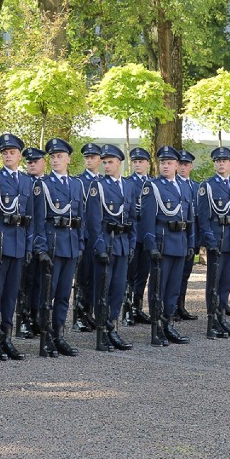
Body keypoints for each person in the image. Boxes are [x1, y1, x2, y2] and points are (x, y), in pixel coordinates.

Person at [0, 133, 34, 361]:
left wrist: (29, 245)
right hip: (1, 242)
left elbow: (31, 216)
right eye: (4, 153)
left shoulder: (27, 181)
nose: (8, 156)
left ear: (19, 155)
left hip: (19, 243)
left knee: (11, 295)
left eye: (12, 153)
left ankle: (7, 337)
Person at [32, 138, 84, 357]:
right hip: (53, 244)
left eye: (59, 157)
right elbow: (38, 220)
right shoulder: (42, 185)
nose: (55, 160)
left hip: (70, 244)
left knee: (63, 294)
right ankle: (45, 337)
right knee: (48, 294)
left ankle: (58, 334)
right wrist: (41, 248)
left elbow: (81, 216)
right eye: (52, 157)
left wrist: (80, 244)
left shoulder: (76, 185)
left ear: (68, 159)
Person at [141, 146, 195, 346]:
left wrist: (190, 242)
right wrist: (151, 245)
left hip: (179, 242)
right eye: (163, 162)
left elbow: (189, 218)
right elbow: (147, 220)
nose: (166, 166)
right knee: (158, 288)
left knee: (173, 287)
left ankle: (169, 322)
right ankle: (156, 328)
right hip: (162, 243)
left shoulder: (184, 187)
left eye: (170, 163)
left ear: (176, 165)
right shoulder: (152, 187)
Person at [85, 144, 137, 352]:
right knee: (102, 290)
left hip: (122, 242)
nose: (106, 165)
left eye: (110, 162)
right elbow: (93, 220)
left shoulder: (129, 186)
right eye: (104, 162)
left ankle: (112, 327)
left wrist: (132, 244)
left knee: (117, 289)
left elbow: (133, 217)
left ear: (119, 163)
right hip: (106, 241)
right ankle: (101, 330)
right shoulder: (98, 186)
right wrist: (99, 246)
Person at [196, 146, 230, 338]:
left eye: (224, 160)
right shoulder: (207, 186)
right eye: (218, 161)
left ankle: (222, 316)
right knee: (213, 282)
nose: (221, 163)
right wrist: (209, 241)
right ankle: (212, 319)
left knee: (226, 282)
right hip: (217, 238)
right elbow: (203, 217)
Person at [16, 147, 47, 339]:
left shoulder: (49, 183)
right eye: (29, 162)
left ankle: (36, 318)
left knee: (40, 283)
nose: (32, 164)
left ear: (44, 162)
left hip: (44, 241)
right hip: (27, 240)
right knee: (25, 284)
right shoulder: (24, 183)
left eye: (36, 161)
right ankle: (23, 320)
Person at [72, 142, 101, 331]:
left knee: (95, 276)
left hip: (99, 236)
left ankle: (89, 312)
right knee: (82, 277)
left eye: (93, 157)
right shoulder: (79, 182)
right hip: (85, 235)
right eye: (87, 157)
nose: (89, 160)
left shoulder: (103, 182)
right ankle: (79, 315)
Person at [123, 147, 152, 325]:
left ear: (148, 164)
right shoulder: (127, 183)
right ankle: (127, 310)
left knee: (143, 274)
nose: (138, 164)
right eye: (135, 162)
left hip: (147, 235)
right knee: (130, 275)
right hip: (133, 235)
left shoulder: (154, 183)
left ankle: (137, 307)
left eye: (141, 161)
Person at [175, 149, 199, 321]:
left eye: (186, 164)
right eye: (180, 164)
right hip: (176, 235)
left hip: (191, 235)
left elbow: (199, 216)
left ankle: (181, 305)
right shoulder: (173, 184)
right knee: (174, 274)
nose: (183, 167)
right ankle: (171, 307)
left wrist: (196, 240)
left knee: (185, 273)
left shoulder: (197, 187)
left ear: (191, 166)